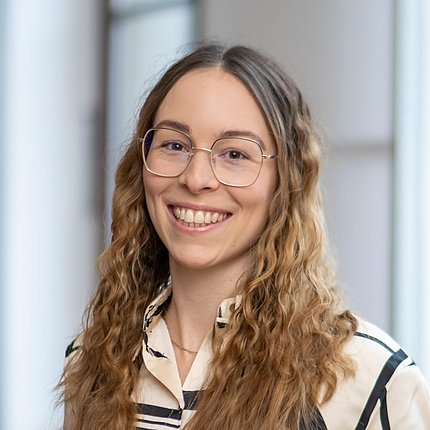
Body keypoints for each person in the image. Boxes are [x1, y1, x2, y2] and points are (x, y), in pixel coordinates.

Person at [60, 44, 430, 429]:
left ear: (286, 180)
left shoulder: (372, 382)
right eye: (174, 145)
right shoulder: (91, 360)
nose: (196, 178)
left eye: (235, 154)